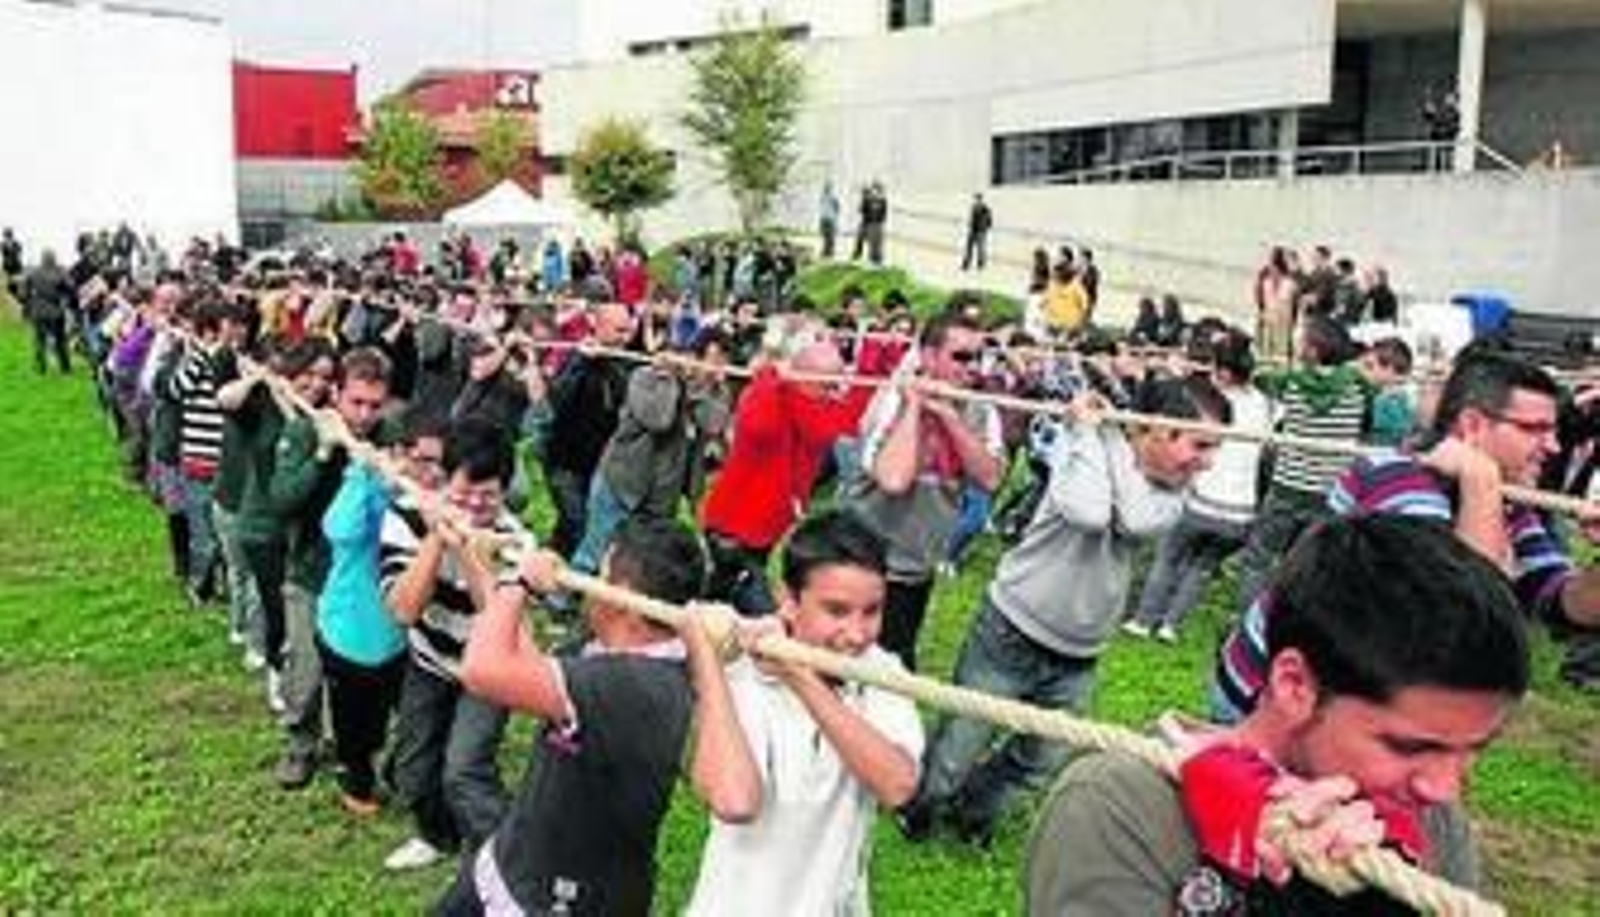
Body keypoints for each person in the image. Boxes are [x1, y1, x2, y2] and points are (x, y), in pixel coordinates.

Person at [1027, 514, 1529, 915]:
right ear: (1295, 685)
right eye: (1410, 746)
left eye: (1474, 750)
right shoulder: (1124, 805)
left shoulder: (1431, 817)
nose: (1445, 788)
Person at [899, 376, 1226, 847]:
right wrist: (1087, 434)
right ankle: (921, 808)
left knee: (1042, 757)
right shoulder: (1079, 451)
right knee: (958, 745)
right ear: (1155, 431)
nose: (1207, 462)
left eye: (1214, 449)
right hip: (1011, 628)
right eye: (1200, 445)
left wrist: (1100, 433)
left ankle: (975, 809)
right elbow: (1088, 513)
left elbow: (1132, 517)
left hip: (1079, 653)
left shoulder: (1172, 491)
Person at [1215, 350, 1600, 722]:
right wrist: (1481, 479)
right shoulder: (1396, 476)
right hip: (1271, 700)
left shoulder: (1506, 507)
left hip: (1346, 710)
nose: (1553, 446)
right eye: (1534, 429)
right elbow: (1465, 613)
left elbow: (1561, 602)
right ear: (1473, 426)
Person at [435, 519, 760, 916]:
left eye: (602, 573)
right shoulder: (613, 653)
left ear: (622, 599)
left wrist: (519, 585)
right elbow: (521, 667)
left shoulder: (633, 685)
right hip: (513, 864)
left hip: (560, 898)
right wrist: (485, 573)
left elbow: (482, 670)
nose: (590, 583)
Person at [686, 510, 924, 915]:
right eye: (836, 610)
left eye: (872, 611)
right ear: (788, 601)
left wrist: (801, 678)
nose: (856, 634)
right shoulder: (741, 674)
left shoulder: (881, 672)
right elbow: (734, 800)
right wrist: (706, 660)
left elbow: (898, 785)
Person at [380, 419, 530, 871]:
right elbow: (404, 609)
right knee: (413, 770)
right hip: (430, 658)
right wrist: (435, 539)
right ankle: (438, 835)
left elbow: (498, 622)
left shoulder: (515, 542)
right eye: (464, 492)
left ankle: (510, 861)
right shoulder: (405, 516)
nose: (475, 505)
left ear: (505, 492)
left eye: (489, 496)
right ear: (443, 480)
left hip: (488, 668)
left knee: (465, 770)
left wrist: (468, 548)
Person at [847, 309, 1004, 671]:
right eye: (961, 356)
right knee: (849, 666)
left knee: (892, 666)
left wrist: (949, 415)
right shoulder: (891, 399)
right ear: (929, 356)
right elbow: (894, 479)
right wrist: (916, 407)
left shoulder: (981, 412)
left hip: (916, 569)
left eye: (979, 357)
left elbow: (990, 478)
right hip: (861, 562)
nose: (973, 367)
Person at [264, 347, 392, 788]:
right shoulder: (304, 431)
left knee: (360, 669)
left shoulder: (389, 438)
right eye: (356, 402)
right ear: (337, 393)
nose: (364, 415)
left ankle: (354, 744)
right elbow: (282, 501)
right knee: (306, 668)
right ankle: (300, 743)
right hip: (311, 571)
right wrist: (324, 451)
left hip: (364, 577)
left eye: (375, 405)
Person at [1126, 332, 1269, 642]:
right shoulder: (1263, 404)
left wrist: (1175, 376)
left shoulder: (1210, 405)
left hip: (1202, 502)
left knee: (1169, 555)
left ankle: (1143, 619)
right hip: (1240, 513)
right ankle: (1170, 626)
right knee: (1201, 566)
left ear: (1224, 372)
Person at [21, 249, 74, 375]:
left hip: (38, 311)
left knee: (40, 341)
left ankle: (41, 369)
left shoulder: (34, 272)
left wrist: (28, 303)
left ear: (42, 259)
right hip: (55, 311)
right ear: (54, 258)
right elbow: (70, 288)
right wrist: (65, 299)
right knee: (60, 341)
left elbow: (24, 292)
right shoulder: (60, 271)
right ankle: (65, 368)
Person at [962, 193, 993, 271]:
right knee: (969, 248)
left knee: (980, 249)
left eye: (978, 199)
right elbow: (972, 218)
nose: (976, 201)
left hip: (980, 232)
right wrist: (970, 225)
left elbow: (989, 221)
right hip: (973, 230)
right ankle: (966, 264)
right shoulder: (973, 208)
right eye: (976, 199)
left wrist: (983, 229)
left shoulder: (985, 209)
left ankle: (980, 264)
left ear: (981, 200)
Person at [818, 182, 841, 260]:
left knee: (831, 236)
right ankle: (825, 251)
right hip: (823, 218)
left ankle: (830, 252)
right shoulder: (822, 196)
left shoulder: (833, 197)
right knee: (825, 235)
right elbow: (821, 207)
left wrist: (835, 218)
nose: (826, 189)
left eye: (828, 187)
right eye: (825, 187)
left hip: (831, 218)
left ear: (830, 188)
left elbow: (837, 208)